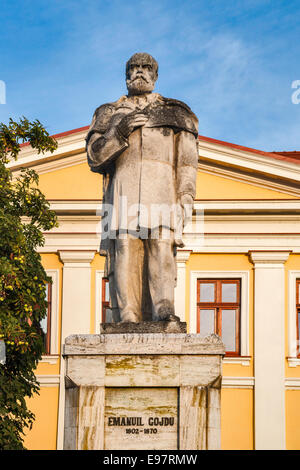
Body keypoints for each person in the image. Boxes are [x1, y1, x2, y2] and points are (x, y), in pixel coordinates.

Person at [86, 52, 198, 323]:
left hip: (162, 191)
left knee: (161, 245)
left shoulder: (174, 111)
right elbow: (94, 156)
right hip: (124, 190)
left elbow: (186, 161)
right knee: (125, 246)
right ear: (126, 75)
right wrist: (118, 133)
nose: (139, 72)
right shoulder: (109, 113)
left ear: (155, 76)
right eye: (133, 68)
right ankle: (128, 314)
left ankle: (164, 308)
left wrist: (186, 195)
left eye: (146, 68)